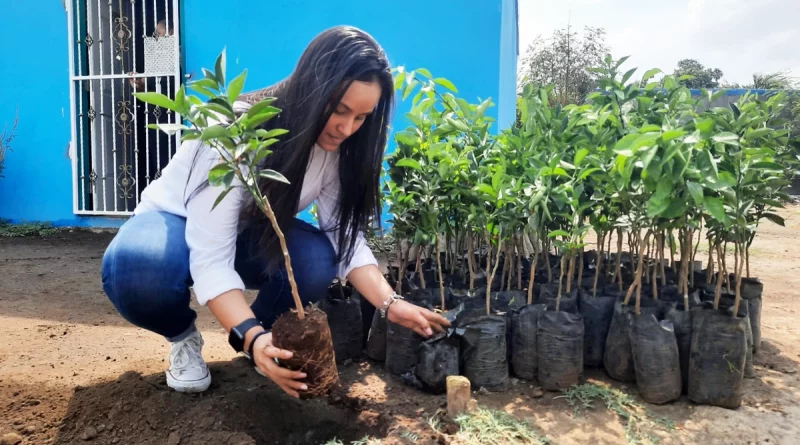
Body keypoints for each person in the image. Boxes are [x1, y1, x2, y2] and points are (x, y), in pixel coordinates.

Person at [101, 25, 450, 398]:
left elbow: (342, 240)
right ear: (312, 90)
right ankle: (184, 336)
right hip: (173, 225)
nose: (347, 128)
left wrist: (390, 303)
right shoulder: (233, 135)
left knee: (317, 258)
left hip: (247, 231)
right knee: (137, 269)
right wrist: (246, 338)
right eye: (340, 110)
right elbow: (211, 259)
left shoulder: (335, 148)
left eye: (362, 117)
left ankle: (268, 338)